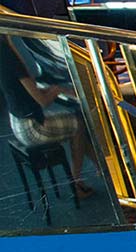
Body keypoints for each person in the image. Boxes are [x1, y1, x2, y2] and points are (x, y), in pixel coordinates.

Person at [1, 35, 94, 198]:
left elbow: (26, 91)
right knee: (78, 124)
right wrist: (58, 89)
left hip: (18, 124)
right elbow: (42, 101)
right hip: (31, 128)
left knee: (75, 123)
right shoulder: (10, 58)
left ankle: (103, 168)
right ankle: (76, 183)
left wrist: (54, 90)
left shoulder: (4, 56)